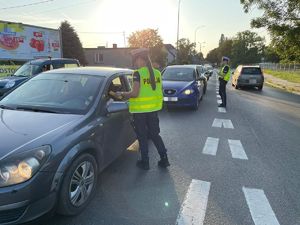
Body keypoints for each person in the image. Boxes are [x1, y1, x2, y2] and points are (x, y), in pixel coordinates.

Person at [116, 48, 170, 170]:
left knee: (142, 137)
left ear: (141, 60)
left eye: (136, 60)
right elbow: (158, 90)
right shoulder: (157, 73)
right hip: (153, 110)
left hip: (140, 112)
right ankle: (164, 159)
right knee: (155, 135)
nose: (135, 63)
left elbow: (134, 93)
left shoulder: (137, 73)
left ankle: (145, 162)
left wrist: (123, 94)